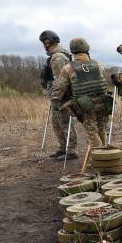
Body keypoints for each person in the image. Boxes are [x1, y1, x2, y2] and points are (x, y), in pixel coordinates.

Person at [51, 38, 110, 150]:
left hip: (86, 105)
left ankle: (100, 157)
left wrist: (55, 102)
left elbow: (59, 88)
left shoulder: (68, 68)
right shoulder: (98, 64)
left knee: (92, 132)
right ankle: (107, 153)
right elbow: (104, 82)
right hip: (104, 102)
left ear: (73, 51)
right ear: (87, 48)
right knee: (102, 128)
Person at [39, 30, 78, 160]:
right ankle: (62, 148)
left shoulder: (58, 57)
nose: (43, 45)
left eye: (44, 42)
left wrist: (57, 97)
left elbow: (60, 80)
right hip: (56, 95)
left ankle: (71, 151)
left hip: (62, 96)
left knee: (65, 123)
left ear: (47, 42)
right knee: (56, 123)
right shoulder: (55, 55)